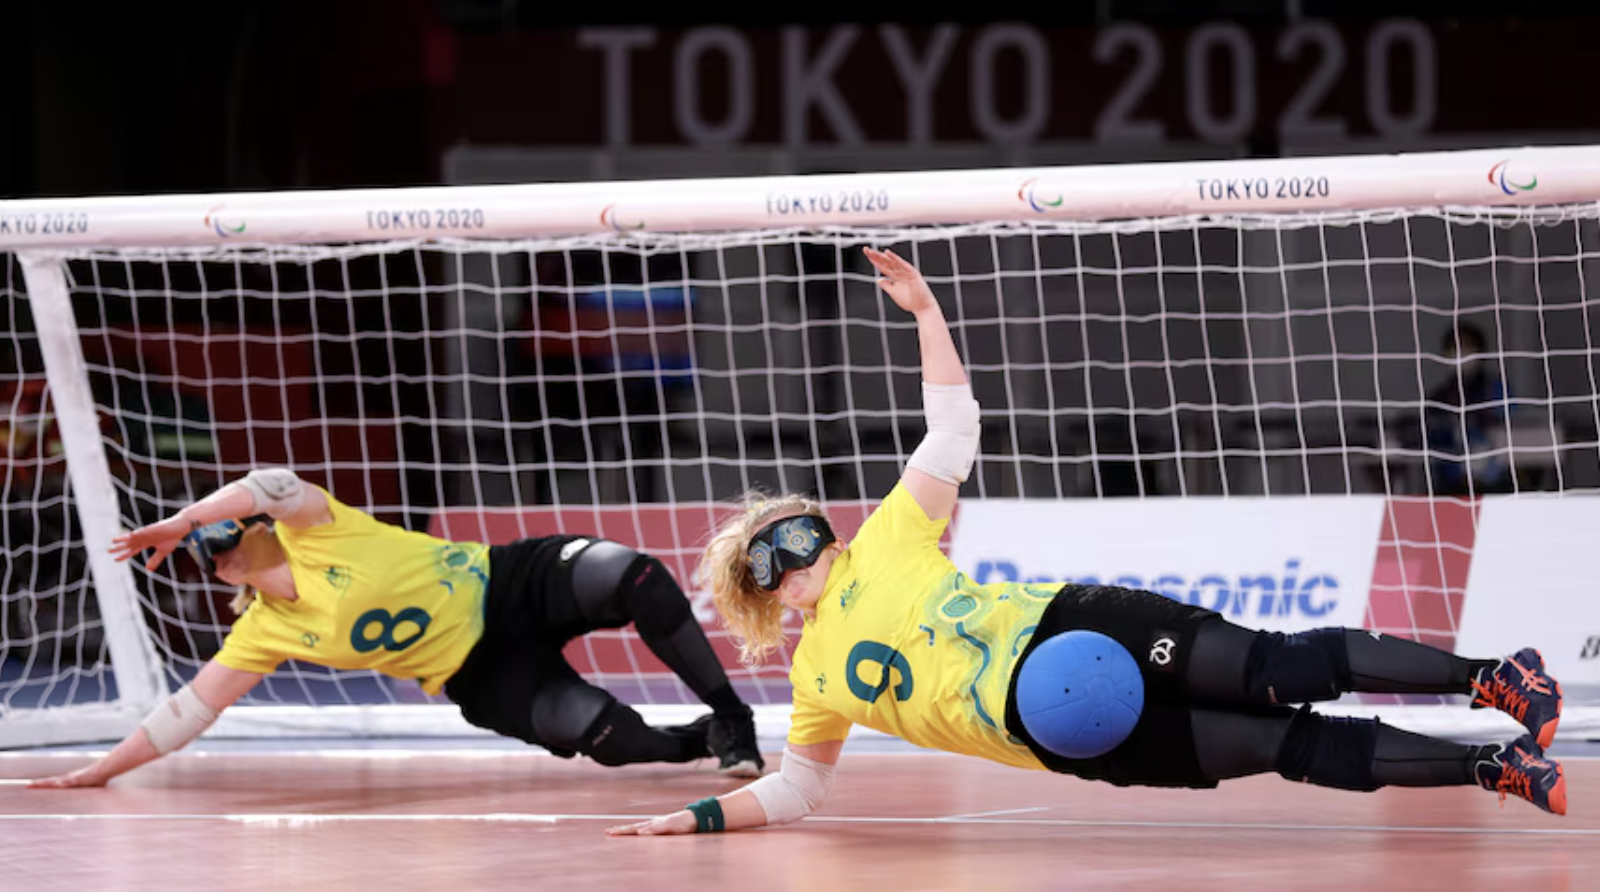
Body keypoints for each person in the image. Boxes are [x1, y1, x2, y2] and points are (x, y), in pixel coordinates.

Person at [608, 246, 1566, 838]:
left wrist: (930, 318)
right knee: (1288, 746)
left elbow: (952, 432)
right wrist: (697, 818)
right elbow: (801, 792)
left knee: (1280, 664)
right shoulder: (812, 680)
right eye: (779, 551)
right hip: (1061, 731)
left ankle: (1493, 676)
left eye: (806, 525)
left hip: (1075, 626)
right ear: (765, 595)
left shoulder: (884, 539)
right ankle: (1496, 768)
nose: (810, 544)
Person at [27, 470, 764, 788]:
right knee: (611, 739)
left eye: (220, 530)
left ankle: (733, 720)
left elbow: (273, 484)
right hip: (479, 673)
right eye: (203, 549)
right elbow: (186, 713)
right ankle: (697, 741)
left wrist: (186, 517)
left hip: (506, 581)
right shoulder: (263, 632)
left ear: (251, 527)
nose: (210, 547)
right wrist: (100, 769)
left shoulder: (316, 528)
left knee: (629, 572)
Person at [1425, 322, 1514, 496]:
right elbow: (1434, 442)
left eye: (1467, 346)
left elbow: (1514, 431)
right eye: (1455, 347)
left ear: (1480, 351)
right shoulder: (1438, 397)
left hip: (1496, 483)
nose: (1461, 353)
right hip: (1450, 486)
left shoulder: (1497, 389)